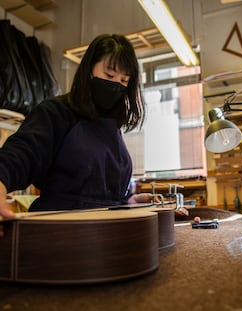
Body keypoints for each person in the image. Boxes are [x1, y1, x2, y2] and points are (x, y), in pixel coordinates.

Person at [0, 34, 182, 234]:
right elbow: (22, 152)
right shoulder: (56, 112)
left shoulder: (113, 129)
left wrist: (127, 201)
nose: (116, 85)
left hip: (106, 238)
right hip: (59, 235)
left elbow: (103, 195)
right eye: (109, 76)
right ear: (89, 71)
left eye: (124, 80)